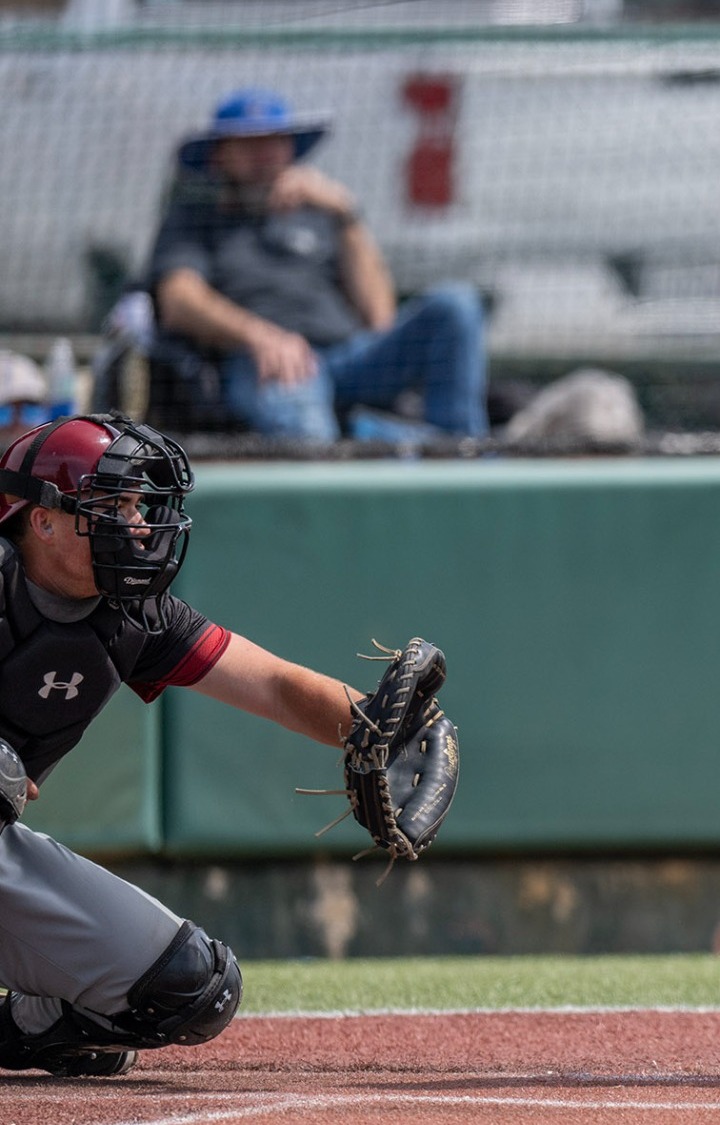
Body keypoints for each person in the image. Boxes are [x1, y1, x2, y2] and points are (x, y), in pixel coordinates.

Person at [0, 414, 394, 1076]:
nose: (136, 524)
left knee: (189, 986)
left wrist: (376, 728)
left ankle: (27, 1026)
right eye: (112, 506)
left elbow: (271, 683)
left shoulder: (133, 614)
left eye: (135, 505)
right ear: (43, 519)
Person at [146, 87, 488, 443]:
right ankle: (345, 458)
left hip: (351, 359)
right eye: (249, 143)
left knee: (456, 304)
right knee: (310, 432)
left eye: (274, 142)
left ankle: (462, 455)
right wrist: (260, 337)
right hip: (268, 364)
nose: (264, 155)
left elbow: (380, 318)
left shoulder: (324, 217)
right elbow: (179, 301)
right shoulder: (193, 220)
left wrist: (346, 214)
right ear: (219, 155)